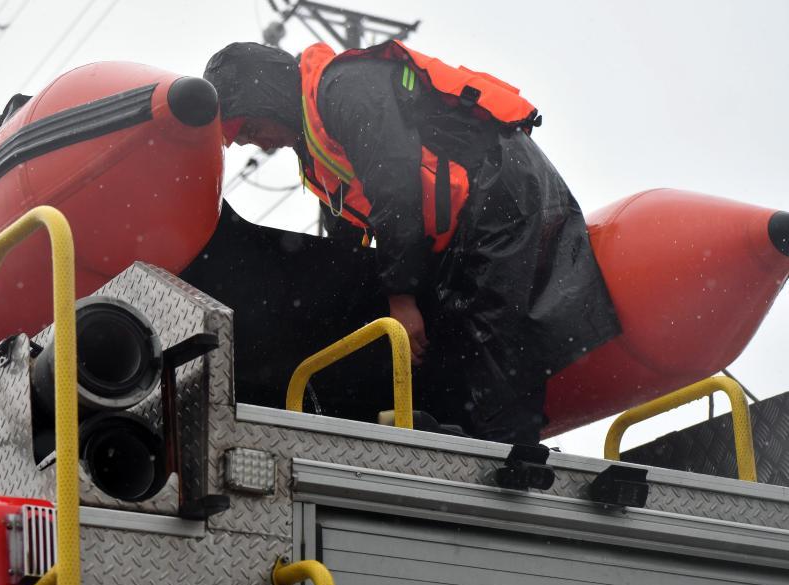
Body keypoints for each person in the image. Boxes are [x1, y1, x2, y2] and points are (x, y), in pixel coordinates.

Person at [203, 40, 620, 445]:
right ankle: (463, 435)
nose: (252, 141)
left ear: (270, 97)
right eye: (241, 138)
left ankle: (510, 456)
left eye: (250, 127)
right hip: (456, 219)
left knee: (492, 326)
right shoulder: (313, 153)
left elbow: (397, 188)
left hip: (501, 188)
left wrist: (401, 299)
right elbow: (348, 243)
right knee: (447, 336)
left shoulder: (344, 88)